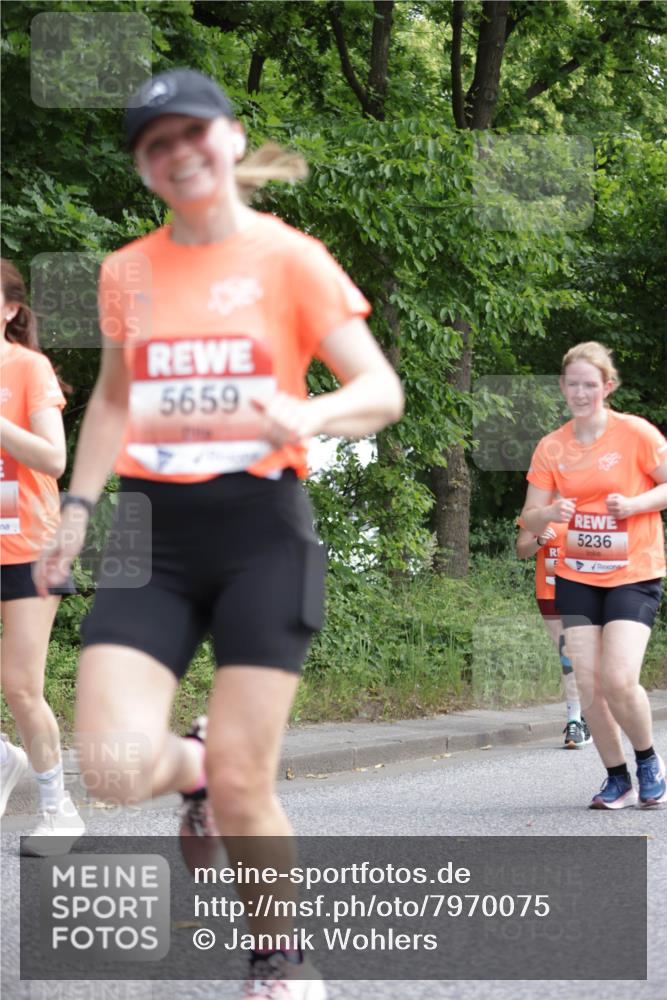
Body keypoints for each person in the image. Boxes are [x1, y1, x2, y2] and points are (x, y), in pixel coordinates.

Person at [35, 68, 403, 998]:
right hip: (150, 533)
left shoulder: (290, 258)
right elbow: (112, 401)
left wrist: (309, 414)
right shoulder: (128, 270)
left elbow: (379, 391)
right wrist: (75, 511)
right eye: (155, 144)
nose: (177, 152)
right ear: (144, 169)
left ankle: (278, 956)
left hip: (261, 532)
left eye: (191, 132)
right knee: (112, 770)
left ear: (231, 139)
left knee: (248, 785)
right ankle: (193, 764)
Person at [521, 341, 667, 809]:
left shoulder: (636, 433)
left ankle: (648, 761)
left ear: (608, 386)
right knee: (588, 683)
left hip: (633, 571)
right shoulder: (552, 446)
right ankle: (617, 778)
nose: (580, 393)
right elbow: (529, 517)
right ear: (562, 387)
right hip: (577, 574)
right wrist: (549, 513)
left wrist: (635, 504)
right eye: (573, 384)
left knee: (618, 678)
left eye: (590, 384)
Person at [0, 258, 85, 852]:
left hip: (28, 542)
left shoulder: (29, 368)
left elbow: (54, 458)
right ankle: (4, 759)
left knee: (21, 686)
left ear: (9, 310)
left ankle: (59, 811)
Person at [515, 517, 592, 748]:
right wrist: (539, 541)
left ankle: (581, 717)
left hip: (582, 590)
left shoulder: (586, 504)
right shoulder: (537, 509)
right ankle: (577, 719)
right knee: (567, 653)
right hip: (548, 593)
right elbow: (521, 551)